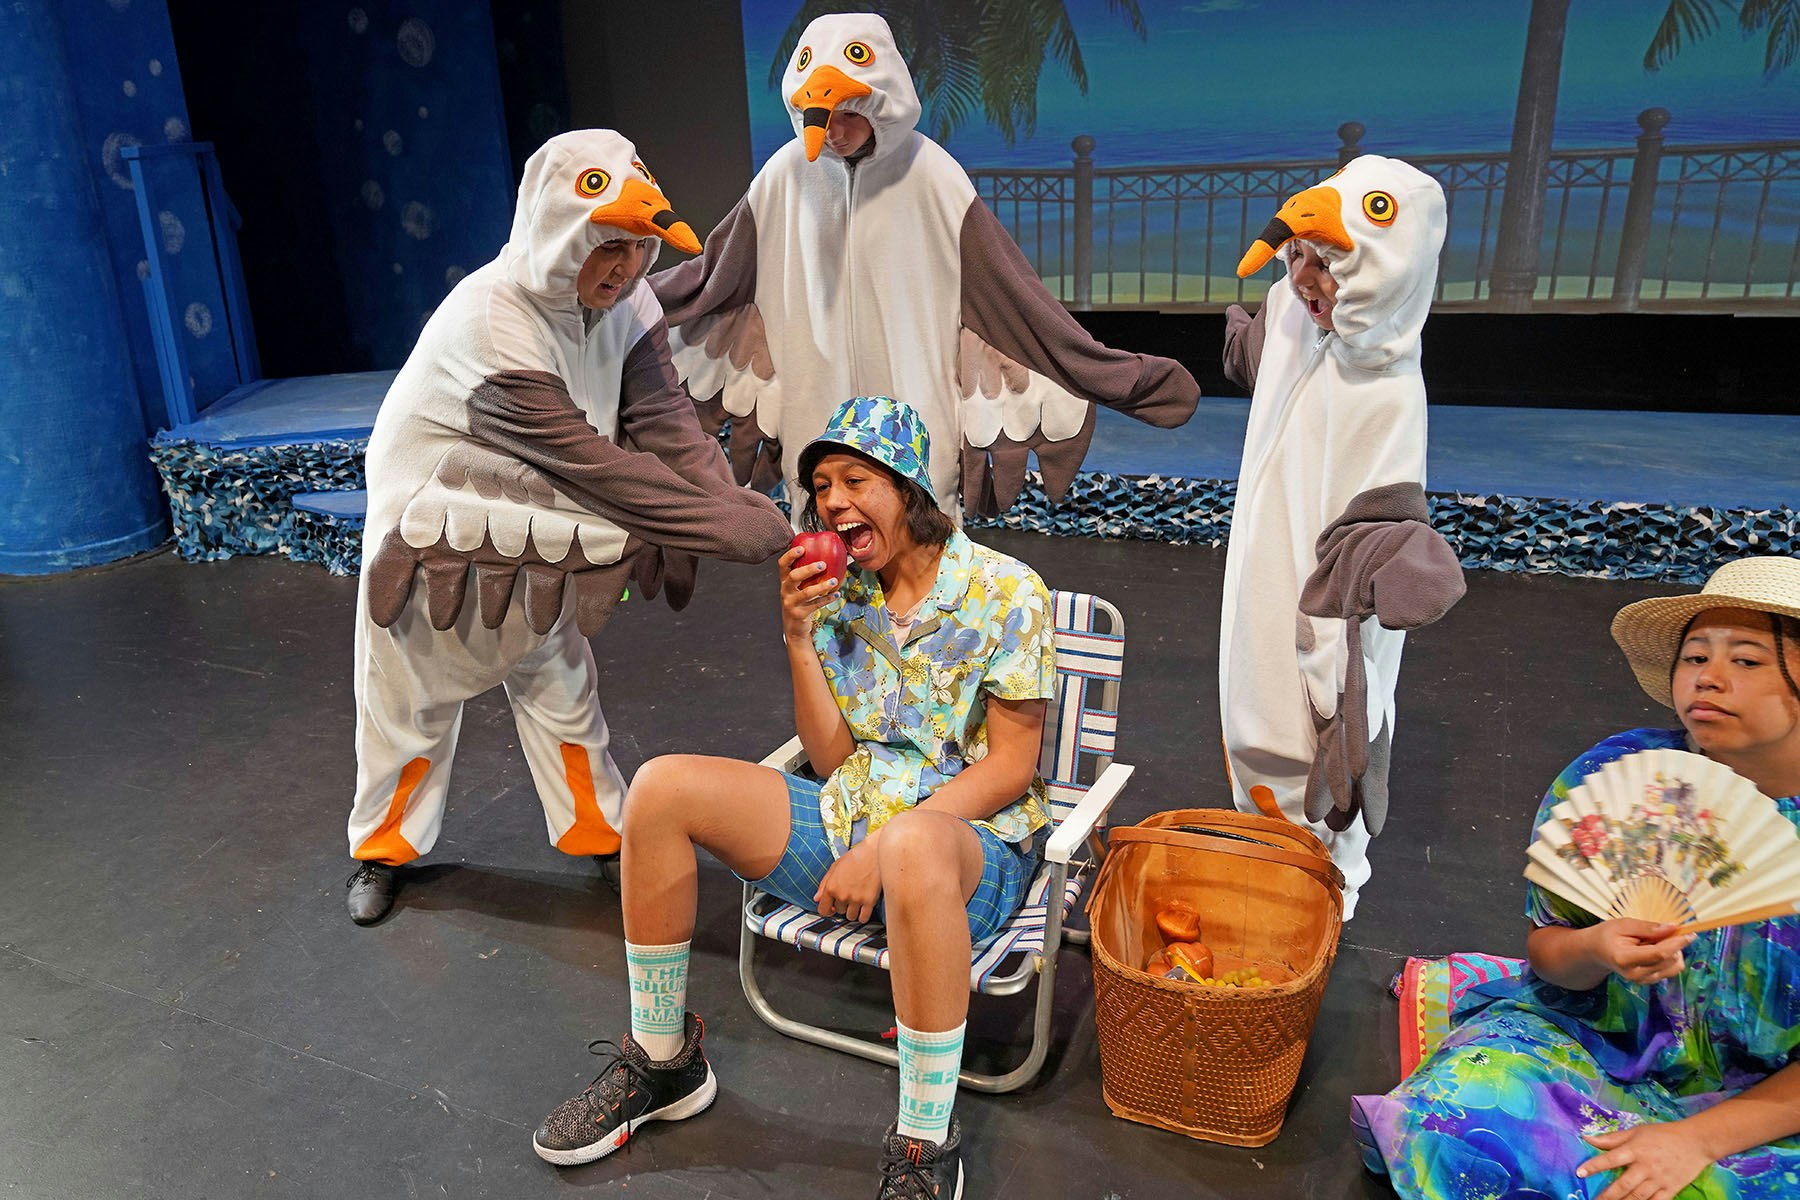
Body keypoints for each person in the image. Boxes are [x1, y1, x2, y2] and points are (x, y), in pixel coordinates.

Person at [532, 395, 1056, 1198]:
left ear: (910, 487)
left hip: (967, 853)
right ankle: (665, 1061)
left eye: (855, 479)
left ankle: (923, 1137)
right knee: (660, 787)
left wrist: (891, 843)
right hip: (850, 823)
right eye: (820, 486)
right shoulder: (842, 591)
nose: (832, 500)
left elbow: (1013, 766)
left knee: (914, 846)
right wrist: (798, 637)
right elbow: (832, 755)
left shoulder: (1007, 592)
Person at [342, 130, 792, 925]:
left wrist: (726, 500)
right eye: (605, 246)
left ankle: (599, 833)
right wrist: (718, 525)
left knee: (562, 688)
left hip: (537, 534)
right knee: (405, 708)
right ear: (560, 231)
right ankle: (381, 849)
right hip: (435, 541)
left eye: (635, 249)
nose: (623, 268)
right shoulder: (489, 322)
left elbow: (665, 421)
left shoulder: (629, 304)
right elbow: (587, 460)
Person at [1353, 555, 1800, 1199]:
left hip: (1770, 1105)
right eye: (1696, 657)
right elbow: (1549, 954)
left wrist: (1695, 1141)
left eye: (1748, 661)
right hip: (1596, 1048)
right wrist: (1595, 949)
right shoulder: (1616, 775)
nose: (1710, 679)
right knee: (1462, 1118)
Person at [650, 11, 1199, 520]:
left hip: (913, 417)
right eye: (821, 118)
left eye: (849, 115)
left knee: (922, 574)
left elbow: (1015, 298)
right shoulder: (782, 179)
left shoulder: (932, 176)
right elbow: (710, 279)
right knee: (826, 566)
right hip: (816, 418)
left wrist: (1119, 377)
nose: (834, 133)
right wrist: (624, 302)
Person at [1217, 154, 1465, 922]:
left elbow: (1379, 524)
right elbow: (1265, 353)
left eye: (1331, 264)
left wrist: (1388, 563)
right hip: (1263, 566)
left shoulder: (1389, 391)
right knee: (1251, 713)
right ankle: (1268, 851)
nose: (1306, 281)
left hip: (1329, 602)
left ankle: (1327, 889)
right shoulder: (1295, 320)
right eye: (1298, 259)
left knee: (1328, 730)